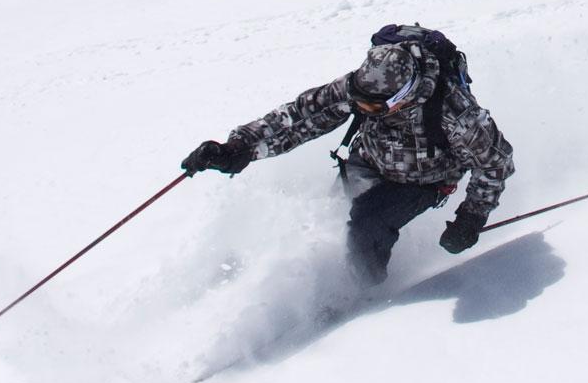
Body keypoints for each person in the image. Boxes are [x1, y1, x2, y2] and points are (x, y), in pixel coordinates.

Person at [181, 27, 515, 284]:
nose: (364, 109)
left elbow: (496, 162)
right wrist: (238, 148)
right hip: (368, 160)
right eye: (361, 102)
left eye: (373, 106)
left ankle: (361, 293)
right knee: (329, 218)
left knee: (366, 224)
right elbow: (301, 117)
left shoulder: (454, 111)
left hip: (424, 180)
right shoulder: (360, 88)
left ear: (404, 94)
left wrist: (471, 219)